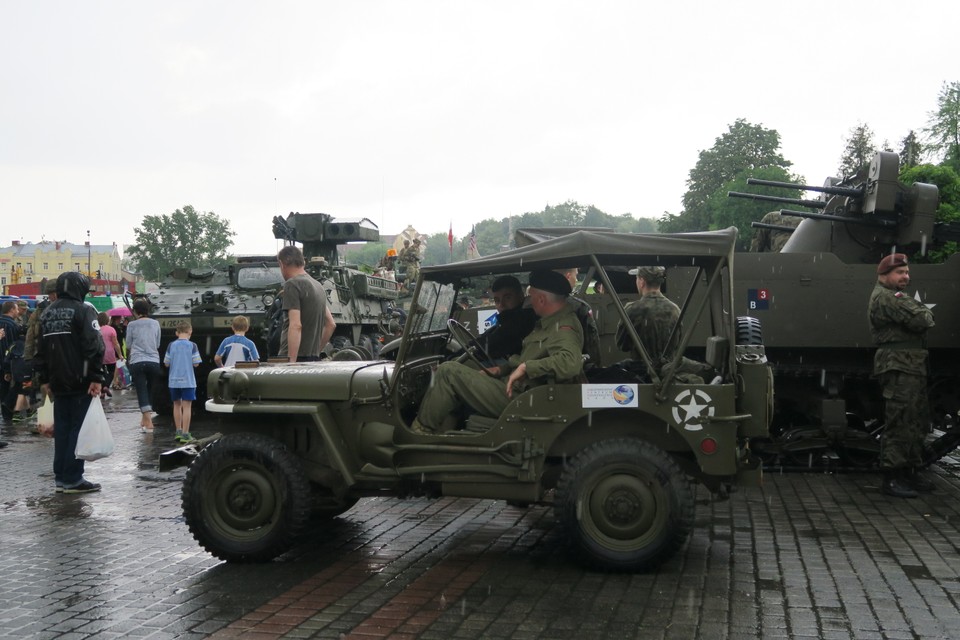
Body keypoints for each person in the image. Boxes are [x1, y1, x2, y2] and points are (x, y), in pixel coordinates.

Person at [412, 270, 584, 434]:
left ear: (541, 299)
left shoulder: (563, 326)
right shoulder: (547, 323)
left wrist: (526, 367)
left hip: (522, 397)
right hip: (518, 389)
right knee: (456, 371)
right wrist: (502, 369)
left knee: (447, 372)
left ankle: (419, 431)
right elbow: (528, 355)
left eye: (531, 297)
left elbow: (570, 363)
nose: (529, 302)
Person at [868, 253, 936, 498]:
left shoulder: (896, 297)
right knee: (900, 420)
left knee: (916, 420)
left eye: (906, 273)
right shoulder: (888, 298)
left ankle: (910, 470)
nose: (905, 277)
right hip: (898, 365)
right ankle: (892, 477)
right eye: (900, 273)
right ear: (884, 275)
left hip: (911, 365)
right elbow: (922, 319)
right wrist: (922, 312)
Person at [34, 272, 106, 494]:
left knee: (63, 430)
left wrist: (44, 379)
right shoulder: (84, 310)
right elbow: (94, 345)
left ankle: (61, 478)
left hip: (57, 381)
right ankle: (74, 478)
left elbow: (40, 350)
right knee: (78, 429)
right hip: (80, 379)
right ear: (79, 288)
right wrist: (96, 377)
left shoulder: (46, 313)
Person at [277, 245, 336, 362]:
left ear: (281, 264)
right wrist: (316, 352)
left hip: (294, 358)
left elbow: (295, 325)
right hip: (312, 358)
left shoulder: (292, 285)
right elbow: (331, 324)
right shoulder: (318, 286)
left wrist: (291, 362)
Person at [616, 266, 680, 369]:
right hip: (668, 372)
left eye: (637, 278)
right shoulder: (675, 309)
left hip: (641, 373)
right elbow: (676, 344)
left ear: (642, 281)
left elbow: (622, 345)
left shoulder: (632, 309)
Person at [481, 275, 537, 361]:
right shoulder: (507, 319)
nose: (501, 305)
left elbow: (492, 344)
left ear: (521, 296)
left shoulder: (523, 319)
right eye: (497, 300)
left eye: (507, 298)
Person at [126, 298, 161, 432]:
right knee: (150, 389)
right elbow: (157, 344)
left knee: (141, 389)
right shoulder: (155, 324)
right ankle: (145, 418)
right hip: (153, 360)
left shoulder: (132, 325)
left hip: (137, 361)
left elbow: (128, 344)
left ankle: (149, 422)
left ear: (135, 311)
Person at [556, 267, 602, 369]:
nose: (576, 280)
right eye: (575, 275)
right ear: (568, 276)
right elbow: (592, 348)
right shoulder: (580, 308)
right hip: (577, 371)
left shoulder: (536, 305)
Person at [164, 320, 201, 443]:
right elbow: (196, 364)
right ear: (190, 331)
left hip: (173, 381)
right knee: (187, 406)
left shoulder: (171, 345)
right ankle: (186, 434)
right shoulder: (193, 345)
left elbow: (166, 363)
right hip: (188, 381)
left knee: (176, 405)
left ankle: (178, 431)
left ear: (176, 333)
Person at [0, 300, 22, 424]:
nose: (18, 312)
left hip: (2, 362)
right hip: (9, 363)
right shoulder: (13, 325)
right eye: (17, 309)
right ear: (12, 310)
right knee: (12, 388)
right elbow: (14, 347)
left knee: (3, 388)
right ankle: (8, 411)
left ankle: (6, 413)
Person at [97, 312, 122, 399]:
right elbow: (116, 344)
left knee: (102, 372)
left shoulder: (97, 330)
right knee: (111, 372)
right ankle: (106, 386)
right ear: (107, 320)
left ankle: (102, 392)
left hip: (100, 353)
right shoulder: (111, 330)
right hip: (110, 353)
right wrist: (120, 354)